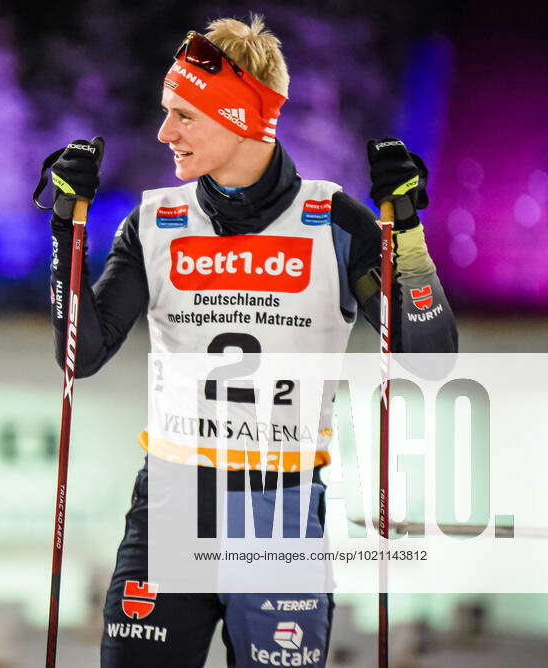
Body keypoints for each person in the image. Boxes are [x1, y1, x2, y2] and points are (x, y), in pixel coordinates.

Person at [43, 16, 457, 668]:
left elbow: (430, 357)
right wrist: (66, 230)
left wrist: (406, 232)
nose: (164, 133)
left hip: (282, 507)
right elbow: (81, 355)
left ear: (238, 115)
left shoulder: (336, 222)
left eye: (184, 115)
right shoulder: (156, 222)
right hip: (172, 499)